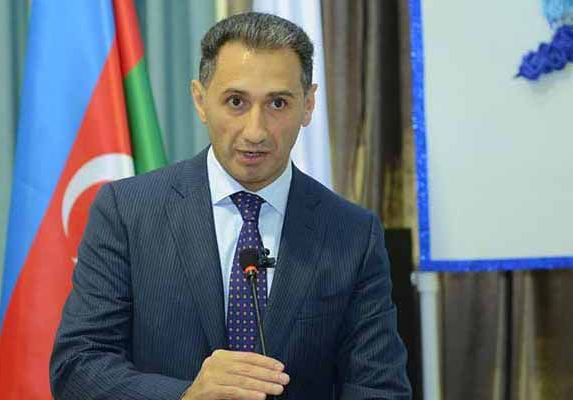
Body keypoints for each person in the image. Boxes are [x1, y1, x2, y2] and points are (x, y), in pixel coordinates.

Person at [50, 12, 411, 400]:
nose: (255, 131)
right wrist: (186, 396)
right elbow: (78, 367)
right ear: (200, 100)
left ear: (308, 105)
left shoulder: (351, 234)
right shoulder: (127, 211)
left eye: (278, 103)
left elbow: (378, 388)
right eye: (236, 102)